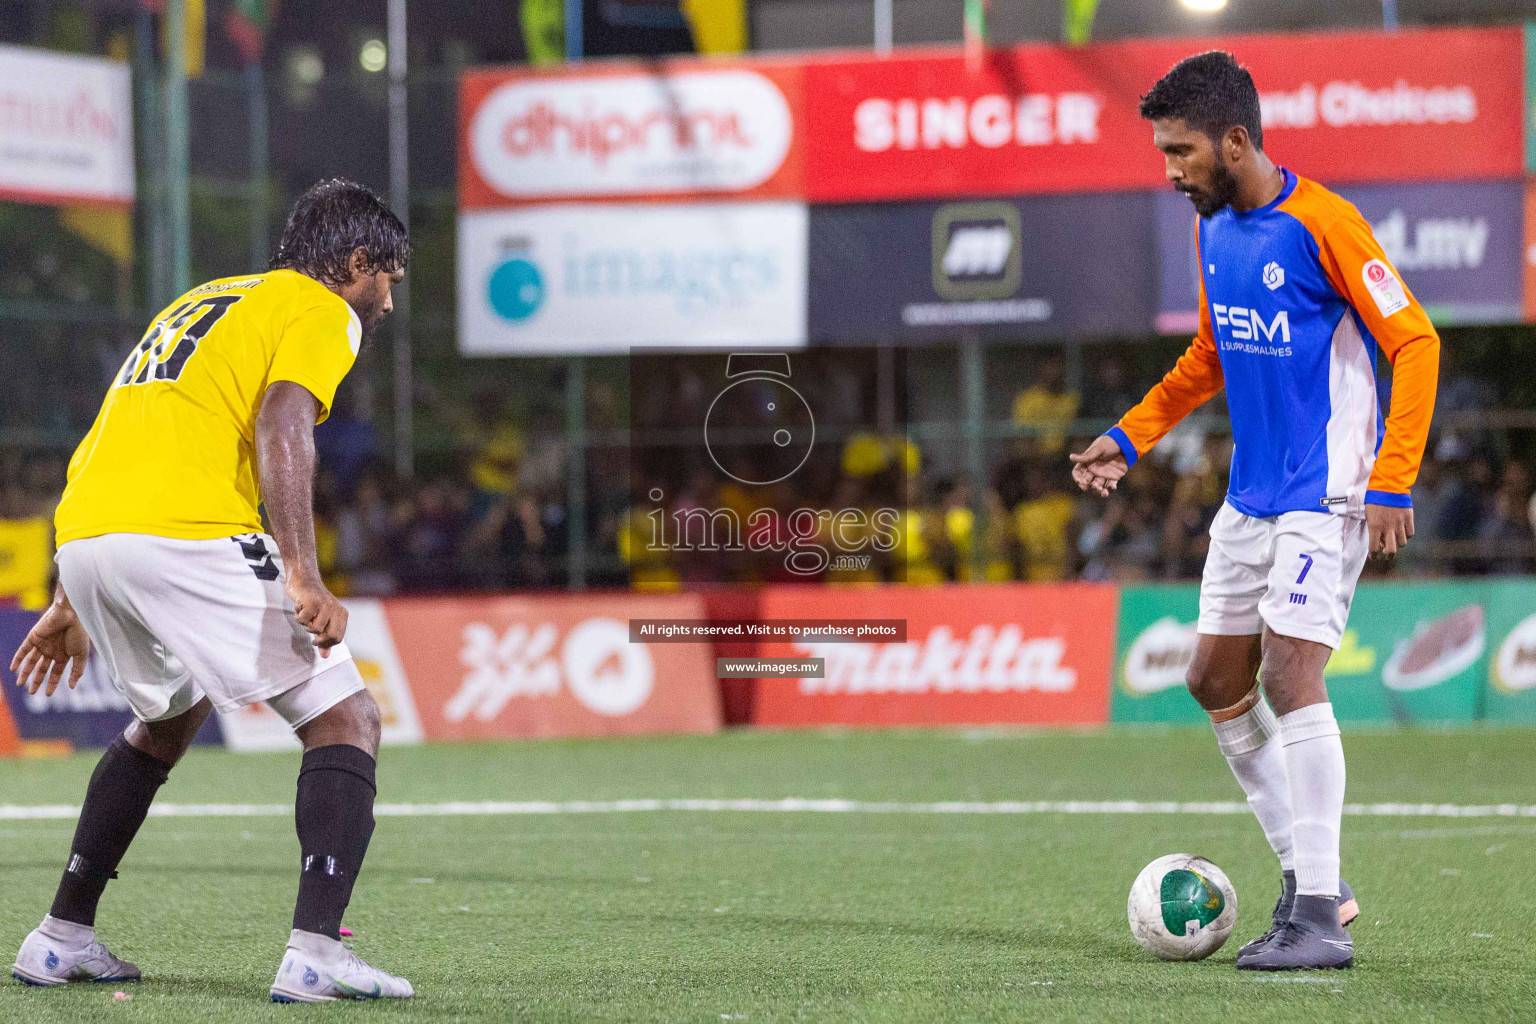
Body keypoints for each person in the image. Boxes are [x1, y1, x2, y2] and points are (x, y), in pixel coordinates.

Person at [1070, 52, 1438, 971]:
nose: (1170, 169)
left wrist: (1393, 477)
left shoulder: (1325, 223)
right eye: (1162, 152)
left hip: (1329, 494)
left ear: (1236, 140)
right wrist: (1131, 434)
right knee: (1211, 680)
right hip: (1252, 497)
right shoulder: (1216, 231)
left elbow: (1416, 340)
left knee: (1288, 676)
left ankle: (1317, 907)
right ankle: (1315, 884)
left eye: (1181, 150)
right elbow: (1209, 350)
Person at [8, 179, 415, 1002]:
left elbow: (123, 430)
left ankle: (61, 936)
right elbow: (282, 420)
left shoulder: (204, 301)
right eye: (389, 281)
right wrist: (301, 569)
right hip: (182, 530)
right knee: (347, 715)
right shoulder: (318, 307)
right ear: (357, 262)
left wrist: (69, 594)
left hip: (88, 529)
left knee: (168, 716)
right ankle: (316, 954)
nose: (388, 304)